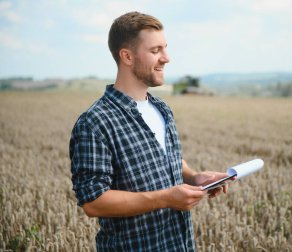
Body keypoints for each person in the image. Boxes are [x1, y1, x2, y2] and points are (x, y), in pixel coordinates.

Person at [69, 11, 232, 251]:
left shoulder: (161, 108)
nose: (166, 58)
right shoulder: (95, 122)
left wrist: (196, 177)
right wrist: (165, 198)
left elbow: (163, 158)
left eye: (165, 48)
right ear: (127, 56)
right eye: (155, 51)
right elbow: (93, 202)